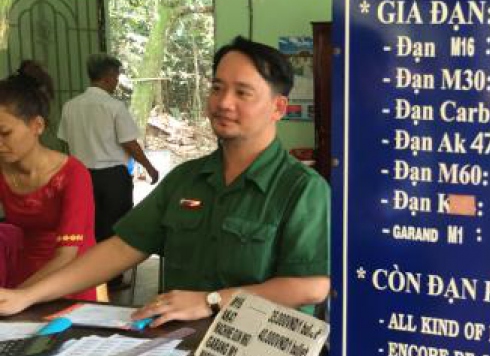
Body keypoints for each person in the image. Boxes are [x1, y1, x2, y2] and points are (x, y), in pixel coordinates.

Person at [0, 37, 330, 325]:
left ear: (278, 107)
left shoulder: (302, 188)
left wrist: (211, 301)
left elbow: (311, 286)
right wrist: (27, 295)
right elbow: (121, 249)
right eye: (217, 88)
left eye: (243, 92)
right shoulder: (187, 179)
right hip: (178, 350)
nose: (224, 103)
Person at [58, 54, 159, 291]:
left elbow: (64, 140)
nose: (117, 81)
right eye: (116, 76)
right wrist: (149, 166)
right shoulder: (113, 106)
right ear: (108, 77)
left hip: (81, 176)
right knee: (115, 227)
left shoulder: (70, 106)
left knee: (89, 225)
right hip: (112, 177)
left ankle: (88, 278)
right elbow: (129, 142)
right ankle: (111, 279)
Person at [0, 62, 98, 301]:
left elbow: (67, 255)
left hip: (70, 283)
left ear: (37, 125)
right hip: (25, 277)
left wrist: (20, 296)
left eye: (5, 133)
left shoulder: (73, 174)